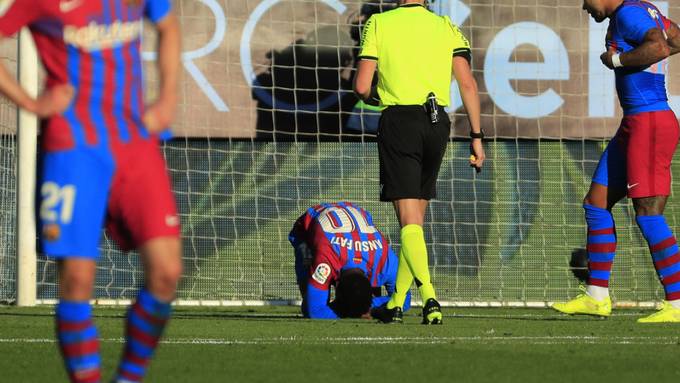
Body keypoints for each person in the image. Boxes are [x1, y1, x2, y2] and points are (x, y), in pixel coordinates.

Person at [0, 0, 183, 381]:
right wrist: (31, 102)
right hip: (73, 150)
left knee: (166, 272)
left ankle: (128, 378)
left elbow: (168, 27)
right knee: (77, 282)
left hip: (135, 144)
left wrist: (166, 100)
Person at [353, 0, 485, 324]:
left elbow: (360, 87)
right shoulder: (446, 27)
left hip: (400, 120)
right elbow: (467, 84)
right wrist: (478, 137)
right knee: (415, 222)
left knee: (408, 219)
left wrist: (378, 96)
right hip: (437, 123)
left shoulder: (379, 23)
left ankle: (429, 297)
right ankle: (397, 302)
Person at [552, 0, 680, 323]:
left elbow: (661, 47)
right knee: (596, 203)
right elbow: (675, 38)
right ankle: (597, 297)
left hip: (650, 121)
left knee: (648, 214)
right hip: (633, 123)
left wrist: (618, 60)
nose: (584, 6)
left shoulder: (628, 14)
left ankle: (677, 303)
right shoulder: (641, 9)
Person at [289, 202, 410, 319]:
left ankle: (359, 302)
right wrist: (349, 311)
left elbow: (404, 300)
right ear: (337, 286)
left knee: (357, 299)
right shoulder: (326, 260)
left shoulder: (385, 261)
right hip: (307, 226)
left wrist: (370, 308)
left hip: (352, 215)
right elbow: (314, 312)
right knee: (307, 304)